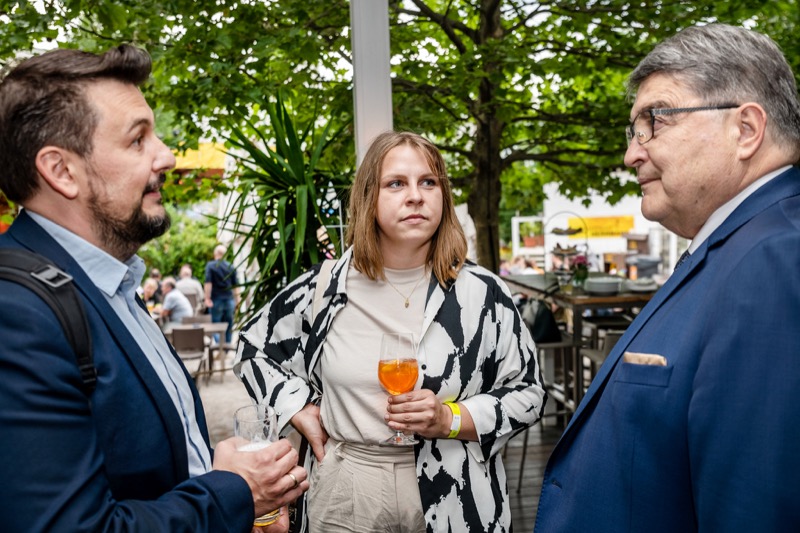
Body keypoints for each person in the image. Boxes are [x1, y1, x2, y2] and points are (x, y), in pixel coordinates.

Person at [0, 44, 308, 532]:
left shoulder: (113, 283)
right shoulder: (16, 312)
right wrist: (235, 493)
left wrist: (230, 490)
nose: (166, 155)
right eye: (138, 139)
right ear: (61, 171)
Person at [535, 24, 800, 532]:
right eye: (634, 130)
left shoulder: (776, 259)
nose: (632, 154)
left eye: (655, 120)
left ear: (746, 130)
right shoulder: (741, 246)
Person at [234, 131, 546, 533]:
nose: (415, 196)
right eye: (396, 183)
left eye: (428, 182)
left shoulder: (483, 293)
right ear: (369, 197)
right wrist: (298, 409)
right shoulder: (324, 289)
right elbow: (252, 348)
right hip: (348, 491)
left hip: (458, 489)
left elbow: (529, 393)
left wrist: (449, 418)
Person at [204, 244, 240, 343]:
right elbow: (236, 287)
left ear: (215, 254)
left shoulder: (211, 266)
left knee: (215, 325)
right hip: (229, 300)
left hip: (216, 300)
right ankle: (226, 347)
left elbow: (208, 283)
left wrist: (207, 298)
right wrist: (238, 301)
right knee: (229, 325)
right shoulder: (231, 266)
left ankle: (219, 345)